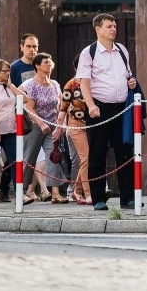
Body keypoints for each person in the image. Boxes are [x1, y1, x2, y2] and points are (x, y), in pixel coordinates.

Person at [76, 13, 138, 211]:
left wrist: (132, 82)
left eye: (114, 26)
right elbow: (83, 81)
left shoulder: (122, 50)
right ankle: (98, 198)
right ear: (98, 29)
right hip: (99, 109)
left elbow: (127, 74)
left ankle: (128, 198)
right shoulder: (89, 52)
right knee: (97, 154)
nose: (113, 29)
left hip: (121, 109)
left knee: (125, 152)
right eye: (109, 26)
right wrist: (91, 105)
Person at [0, 59, 34, 208]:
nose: (7, 73)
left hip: (10, 130)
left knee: (15, 161)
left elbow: (25, 99)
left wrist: (10, 85)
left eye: (8, 71)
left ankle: (19, 194)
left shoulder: (9, 86)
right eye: (5, 71)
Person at [22, 53, 67, 203]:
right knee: (29, 158)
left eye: (50, 61)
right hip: (36, 125)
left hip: (53, 125)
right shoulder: (31, 85)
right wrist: (41, 124)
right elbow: (29, 108)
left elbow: (62, 106)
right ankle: (21, 191)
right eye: (45, 62)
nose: (49, 64)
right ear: (37, 66)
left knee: (54, 157)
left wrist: (61, 126)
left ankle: (55, 193)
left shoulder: (55, 85)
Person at [59, 55, 92, 205]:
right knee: (85, 158)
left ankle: (76, 192)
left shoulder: (96, 81)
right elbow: (63, 106)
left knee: (88, 158)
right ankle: (88, 193)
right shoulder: (71, 84)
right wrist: (60, 125)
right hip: (76, 124)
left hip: (93, 124)